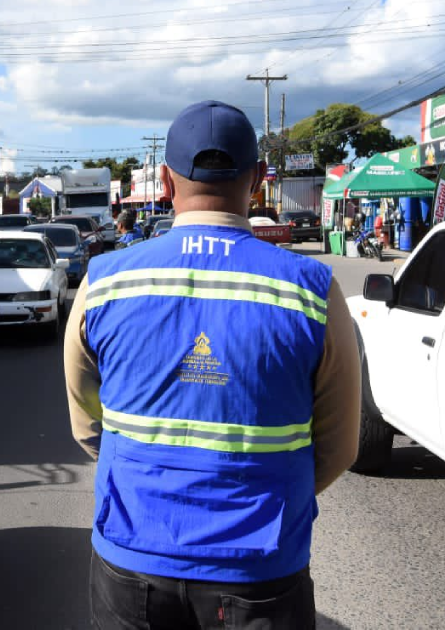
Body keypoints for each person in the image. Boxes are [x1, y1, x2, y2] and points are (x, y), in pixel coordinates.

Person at [64, 100, 360, 630]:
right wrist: (266, 486)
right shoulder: (313, 291)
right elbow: (339, 448)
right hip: (261, 569)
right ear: (260, 180)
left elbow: (89, 425)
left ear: (164, 180)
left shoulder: (103, 283)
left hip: (132, 563)